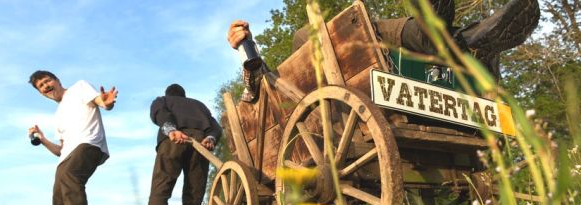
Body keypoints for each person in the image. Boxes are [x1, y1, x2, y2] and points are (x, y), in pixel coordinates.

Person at [227, 0, 540, 102]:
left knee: (362, 26)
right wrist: (245, 53)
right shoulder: (268, 87)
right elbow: (255, 94)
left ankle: (449, 35)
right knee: (310, 34)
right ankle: (465, 40)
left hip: (363, 70)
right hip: (330, 96)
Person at [28, 70, 118, 205]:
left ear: (57, 80)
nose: (46, 86)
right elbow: (60, 150)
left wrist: (106, 103)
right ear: (40, 93)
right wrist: (43, 140)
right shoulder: (58, 115)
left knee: (70, 177)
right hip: (67, 156)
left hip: (88, 144)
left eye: (47, 81)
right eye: (41, 87)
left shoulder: (79, 87)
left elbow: (101, 102)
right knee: (59, 197)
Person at [146, 83, 223, 205]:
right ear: (184, 95)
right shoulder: (199, 105)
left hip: (174, 139)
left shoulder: (162, 100)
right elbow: (215, 127)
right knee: (194, 199)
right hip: (200, 142)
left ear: (169, 94)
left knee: (160, 193)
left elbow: (160, 112)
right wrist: (210, 138)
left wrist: (171, 129)